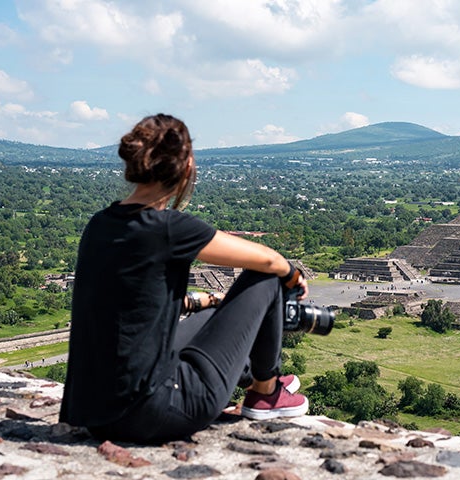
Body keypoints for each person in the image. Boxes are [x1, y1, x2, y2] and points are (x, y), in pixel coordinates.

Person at [59, 113, 309, 444]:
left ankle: (251, 380)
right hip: (154, 411)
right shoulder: (168, 227)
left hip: (94, 412)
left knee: (210, 315)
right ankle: (266, 392)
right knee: (264, 278)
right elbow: (268, 260)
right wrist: (292, 275)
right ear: (187, 167)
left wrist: (201, 301)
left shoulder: (100, 223)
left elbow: (132, 303)